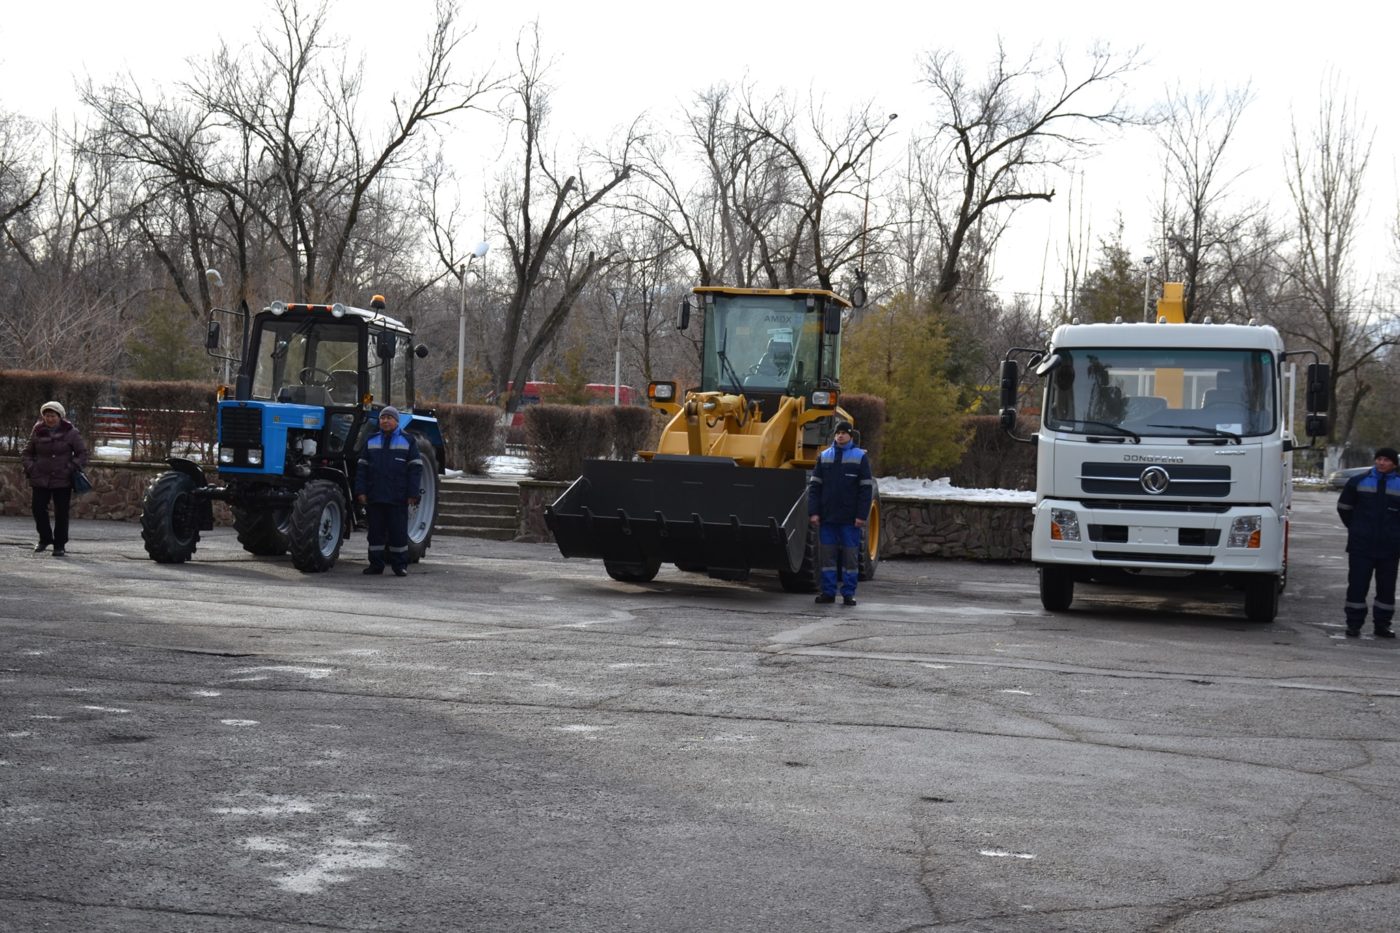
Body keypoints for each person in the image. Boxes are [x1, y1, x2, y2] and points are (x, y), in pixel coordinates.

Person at [807, 420, 875, 606]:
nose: (840, 436)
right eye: (838, 433)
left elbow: (865, 490)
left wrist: (861, 516)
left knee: (850, 559)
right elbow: (815, 487)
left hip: (850, 520)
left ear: (850, 436)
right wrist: (814, 512)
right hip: (828, 518)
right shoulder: (824, 456)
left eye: (844, 433)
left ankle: (848, 594)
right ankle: (827, 593)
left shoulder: (860, 457)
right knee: (827, 559)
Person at [1337, 446, 1400, 638]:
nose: (1381, 463)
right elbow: (1344, 507)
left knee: (1386, 589)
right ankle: (1353, 624)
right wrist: (1356, 528)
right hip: (1361, 546)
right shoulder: (1358, 481)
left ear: (1394, 464)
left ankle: (1382, 625)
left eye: (1386, 460)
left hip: (1390, 547)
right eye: (1379, 459)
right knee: (1357, 586)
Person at [354, 406, 422, 577]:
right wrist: (360, 491)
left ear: (396, 421)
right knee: (375, 533)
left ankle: (399, 566)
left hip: (397, 497)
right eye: (382, 418)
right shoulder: (371, 440)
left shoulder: (408, 441)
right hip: (375, 496)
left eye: (389, 418)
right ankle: (376, 565)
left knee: (398, 533)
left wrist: (413, 493)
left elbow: (415, 470)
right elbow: (362, 468)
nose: (385, 421)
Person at [21, 401, 88, 557]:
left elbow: (82, 454)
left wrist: (70, 468)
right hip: (40, 477)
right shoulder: (37, 430)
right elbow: (27, 452)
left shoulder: (71, 432)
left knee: (61, 513)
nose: (49, 419)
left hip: (62, 478)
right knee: (38, 509)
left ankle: (59, 544)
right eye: (47, 416)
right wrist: (31, 467)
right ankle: (45, 538)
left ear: (60, 416)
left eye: (53, 416)